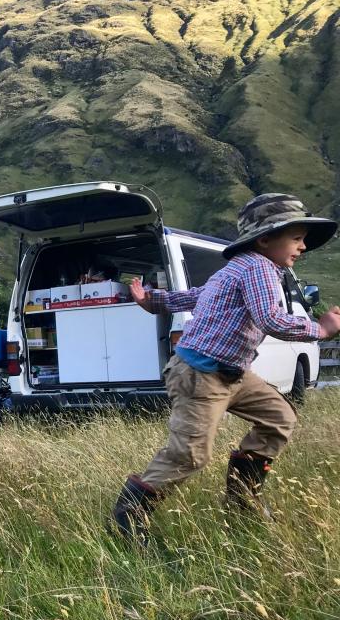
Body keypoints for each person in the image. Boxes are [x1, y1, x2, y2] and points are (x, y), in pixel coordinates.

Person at [110, 193, 340, 546]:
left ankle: (242, 501)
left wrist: (152, 300)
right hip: (200, 374)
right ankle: (129, 514)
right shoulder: (259, 268)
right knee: (190, 455)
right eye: (296, 238)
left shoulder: (237, 269)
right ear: (266, 239)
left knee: (279, 416)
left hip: (230, 372)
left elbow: (193, 296)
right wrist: (320, 330)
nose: (303, 246)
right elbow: (271, 319)